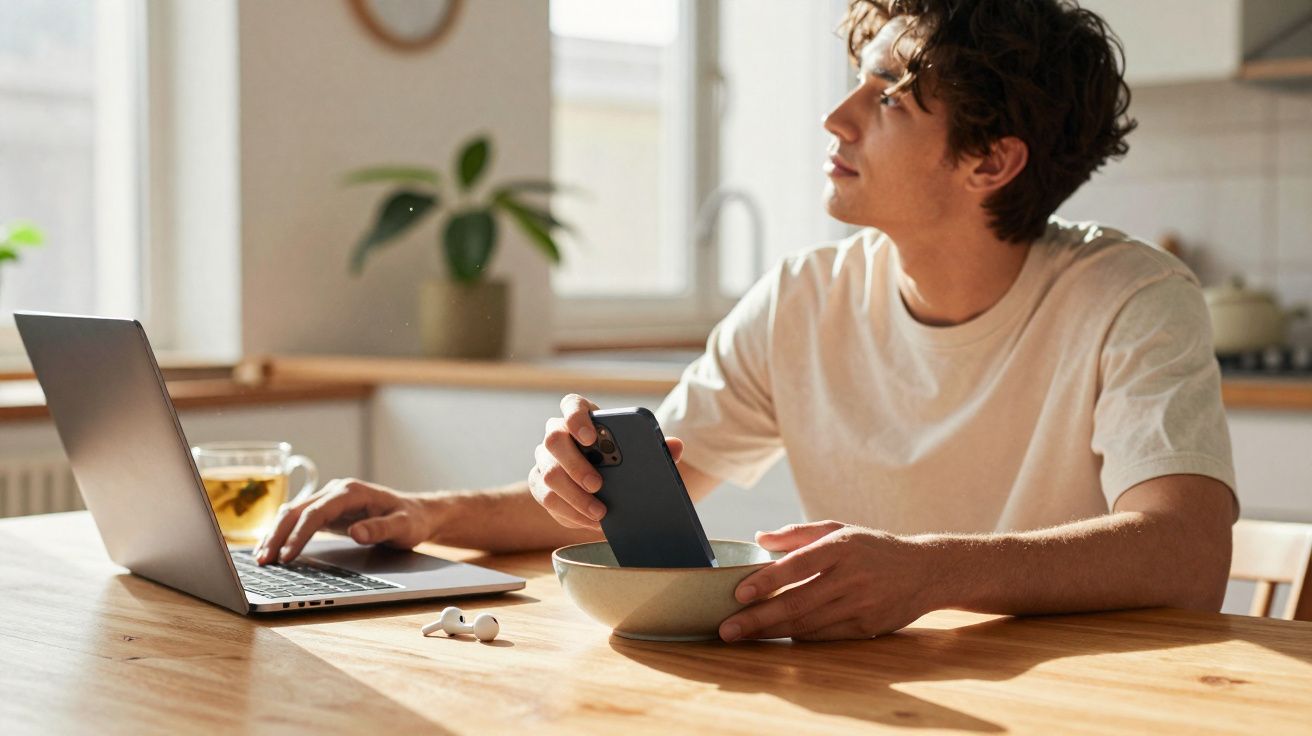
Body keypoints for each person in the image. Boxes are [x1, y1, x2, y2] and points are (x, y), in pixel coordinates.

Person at [257, 0, 1238, 643]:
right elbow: (641, 496)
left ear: (991, 162)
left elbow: (1185, 552)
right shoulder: (803, 298)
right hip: (863, 698)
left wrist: (929, 571)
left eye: (888, 95)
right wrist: (428, 515)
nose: (836, 117)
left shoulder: (1132, 296)